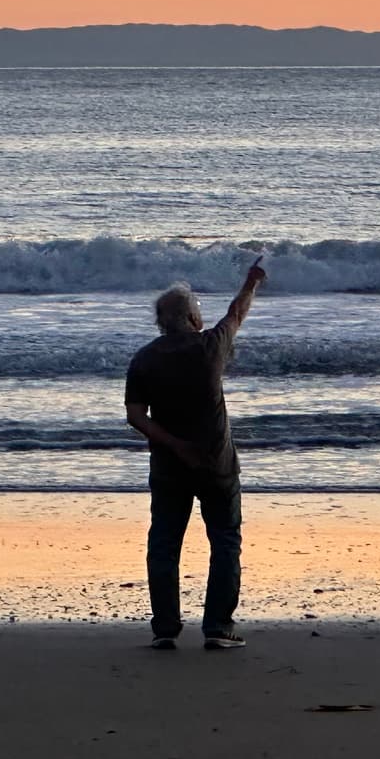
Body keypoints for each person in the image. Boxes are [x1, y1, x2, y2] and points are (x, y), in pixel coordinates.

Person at [124, 258, 266, 650]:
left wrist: (172, 443)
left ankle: (166, 628)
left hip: (170, 467)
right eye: (197, 309)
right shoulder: (210, 347)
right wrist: (252, 281)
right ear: (191, 317)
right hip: (216, 463)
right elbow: (236, 312)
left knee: (165, 542)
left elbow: (136, 416)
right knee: (224, 540)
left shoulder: (145, 359)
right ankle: (218, 627)